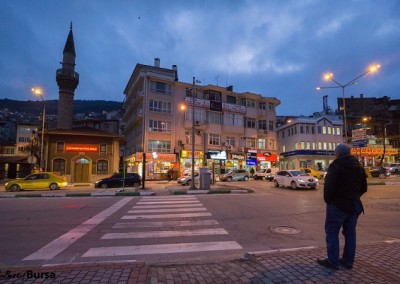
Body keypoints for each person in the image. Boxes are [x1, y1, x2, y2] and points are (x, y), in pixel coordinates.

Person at [317, 143, 367, 270]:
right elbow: (364, 188)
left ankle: (333, 262)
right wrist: (354, 196)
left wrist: (329, 201)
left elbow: (329, 187)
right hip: (354, 205)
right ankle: (348, 261)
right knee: (350, 234)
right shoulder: (358, 166)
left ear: (337, 153)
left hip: (338, 205)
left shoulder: (336, 165)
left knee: (332, 232)